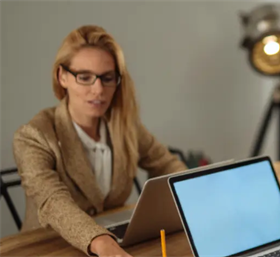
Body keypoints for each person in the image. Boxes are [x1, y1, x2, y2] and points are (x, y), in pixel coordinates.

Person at [12, 25, 187, 257]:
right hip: (49, 247)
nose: (98, 89)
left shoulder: (125, 126)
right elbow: (52, 201)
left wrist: (196, 197)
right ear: (62, 76)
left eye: (107, 78)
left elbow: (167, 164)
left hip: (118, 242)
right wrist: (99, 241)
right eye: (84, 77)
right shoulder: (34, 135)